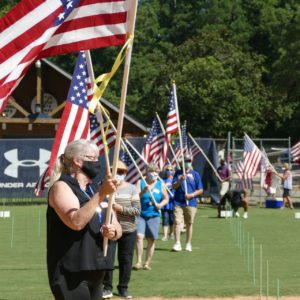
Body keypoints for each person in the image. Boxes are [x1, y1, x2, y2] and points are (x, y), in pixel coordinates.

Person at [47, 139, 122, 300]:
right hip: (71, 271)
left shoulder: (95, 188)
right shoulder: (61, 187)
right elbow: (76, 222)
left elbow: (117, 227)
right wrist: (102, 194)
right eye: (92, 158)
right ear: (78, 161)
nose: (97, 162)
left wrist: (113, 231)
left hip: (96, 267)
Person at [103, 161, 140, 299]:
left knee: (126, 260)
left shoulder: (131, 189)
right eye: (115, 171)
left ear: (125, 174)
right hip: (110, 230)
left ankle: (123, 288)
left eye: (121, 172)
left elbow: (137, 210)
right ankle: (107, 287)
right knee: (108, 259)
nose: (118, 174)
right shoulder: (105, 187)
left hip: (128, 230)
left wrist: (120, 209)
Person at [133, 162, 169, 270]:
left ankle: (147, 263)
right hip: (141, 214)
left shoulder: (160, 184)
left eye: (155, 171)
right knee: (139, 237)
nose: (153, 173)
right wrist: (144, 191)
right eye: (151, 171)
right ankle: (138, 261)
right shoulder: (141, 182)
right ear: (146, 172)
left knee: (151, 239)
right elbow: (136, 197)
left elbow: (166, 198)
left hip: (154, 215)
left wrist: (160, 205)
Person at [172, 154, 203, 252]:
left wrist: (192, 195)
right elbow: (174, 187)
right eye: (186, 160)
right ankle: (177, 243)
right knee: (177, 222)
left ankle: (188, 243)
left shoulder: (195, 174)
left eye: (189, 160)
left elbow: (200, 189)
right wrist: (181, 179)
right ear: (183, 162)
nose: (187, 162)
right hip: (178, 202)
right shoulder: (178, 173)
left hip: (191, 203)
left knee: (189, 223)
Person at [161, 164, 175, 241]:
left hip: (172, 203)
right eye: (167, 170)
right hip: (165, 203)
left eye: (170, 170)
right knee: (165, 218)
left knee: (172, 219)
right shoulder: (162, 180)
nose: (169, 171)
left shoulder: (174, 180)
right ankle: (165, 235)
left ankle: (172, 233)